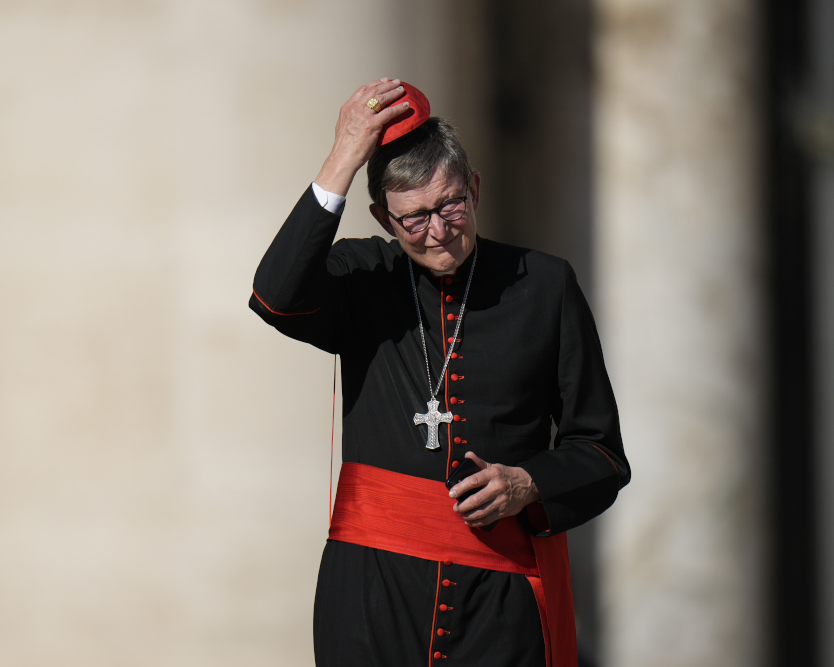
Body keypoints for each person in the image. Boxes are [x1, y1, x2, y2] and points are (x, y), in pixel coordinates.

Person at [250, 78, 629, 667]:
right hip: (372, 596)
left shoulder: (545, 285)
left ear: (474, 189)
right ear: (383, 218)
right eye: (413, 218)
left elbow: (602, 454)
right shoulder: (364, 277)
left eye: (450, 204)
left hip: (498, 606)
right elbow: (276, 295)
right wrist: (345, 154)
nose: (437, 230)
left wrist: (527, 483)